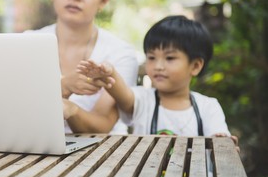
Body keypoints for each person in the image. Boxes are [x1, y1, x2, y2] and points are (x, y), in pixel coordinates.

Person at [77, 15, 238, 145]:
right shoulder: (143, 100)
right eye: (151, 57)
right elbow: (123, 93)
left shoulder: (208, 107)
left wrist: (223, 142)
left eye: (169, 58)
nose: (158, 66)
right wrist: (109, 73)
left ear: (195, 66)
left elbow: (220, 142)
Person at [29, 0, 138, 134]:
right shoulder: (28, 44)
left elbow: (103, 124)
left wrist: (72, 110)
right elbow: (14, 108)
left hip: (104, 156)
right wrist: (64, 86)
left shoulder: (120, 54)